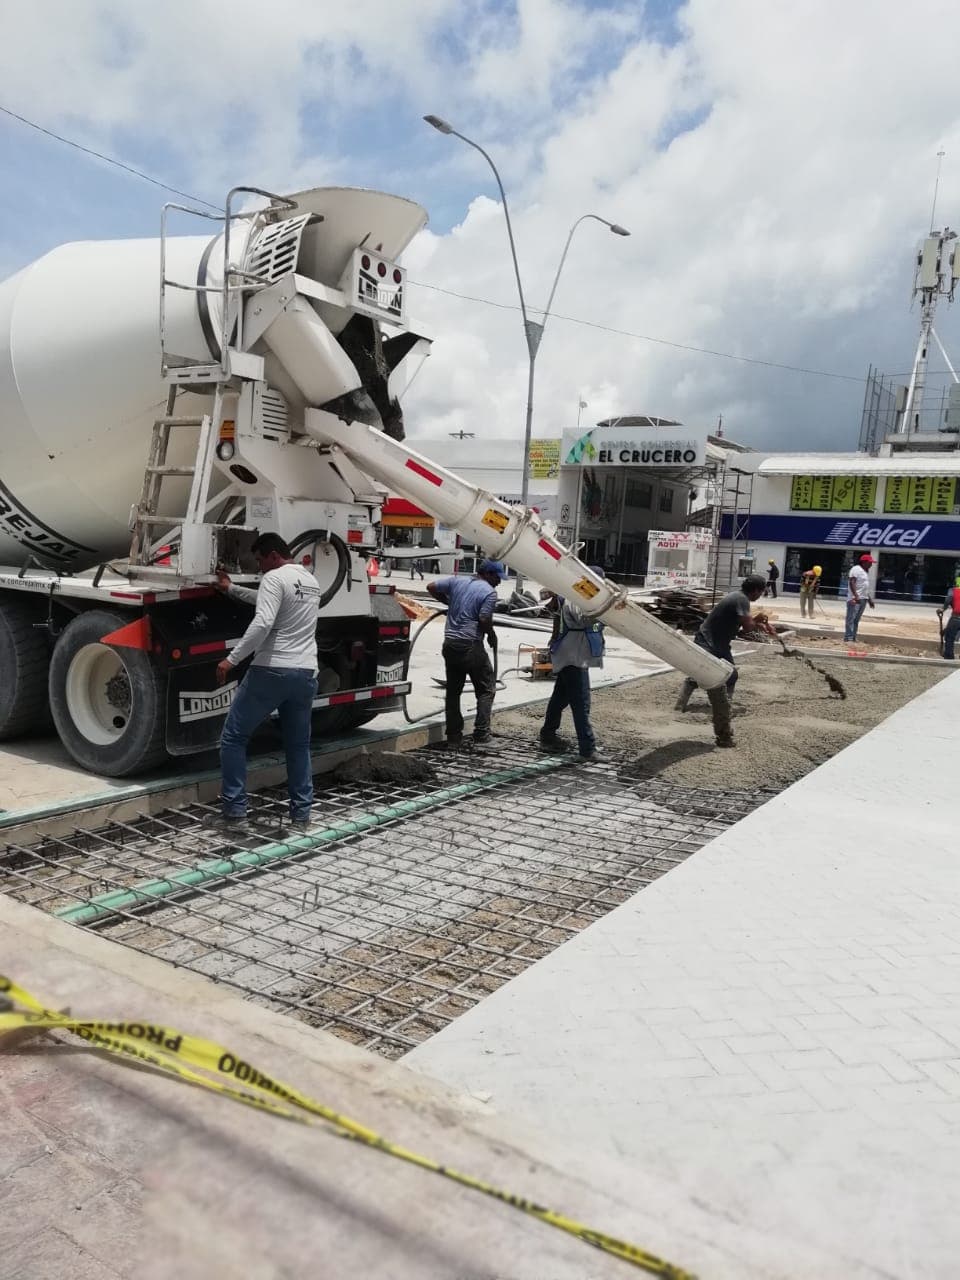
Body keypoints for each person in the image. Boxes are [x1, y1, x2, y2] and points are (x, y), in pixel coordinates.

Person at [214, 533, 321, 830]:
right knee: (298, 746)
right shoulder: (310, 582)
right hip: (306, 673)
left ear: (273, 555)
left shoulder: (274, 578)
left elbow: (263, 620)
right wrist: (231, 588)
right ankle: (301, 817)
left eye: (261, 560)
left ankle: (235, 813)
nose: (260, 567)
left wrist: (231, 659)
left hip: (272, 669)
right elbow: (269, 601)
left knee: (233, 738)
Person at [674, 574, 770, 745]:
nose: (761, 595)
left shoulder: (737, 597)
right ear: (755, 590)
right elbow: (748, 627)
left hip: (719, 643)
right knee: (713, 675)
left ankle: (691, 705)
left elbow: (739, 627)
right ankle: (694, 708)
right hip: (709, 642)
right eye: (761, 591)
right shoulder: (741, 599)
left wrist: (757, 621)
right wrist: (758, 624)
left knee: (728, 675)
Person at [427, 560, 503, 748]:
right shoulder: (489, 593)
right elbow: (484, 618)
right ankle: (482, 735)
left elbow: (431, 586)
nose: (499, 582)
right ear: (488, 574)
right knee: (486, 689)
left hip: (450, 645)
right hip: (470, 646)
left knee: (453, 691)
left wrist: (449, 602)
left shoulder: (457, 582)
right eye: (497, 577)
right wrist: (491, 635)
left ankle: (453, 737)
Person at [538, 567, 606, 762]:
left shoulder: (575, 597)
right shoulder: (576, 600)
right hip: (574, 658)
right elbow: (585, 622)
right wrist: (602, 616)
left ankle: (548, 736)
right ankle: (587, 749)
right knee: (581, 703)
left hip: (570, 655)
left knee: (560, 698)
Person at [844, 553, 875, 643]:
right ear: (864, 562)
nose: (871, 564)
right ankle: (848, 637)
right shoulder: (856, 569)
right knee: (851, 618)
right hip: (855, 599)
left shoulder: (865, 572)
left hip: (863, 599)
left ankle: (853, 637)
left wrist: (869, 600)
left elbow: (864, 587)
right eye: (870, 562)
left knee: (856, 620)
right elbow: (852, 582)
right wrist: (856, 596)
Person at [938, 576, 960, 659]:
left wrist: (943, 609)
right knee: (950, 632)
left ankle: (949, 656)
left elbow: (948, 600)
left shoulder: (953, 590)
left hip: (956, 617)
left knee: (949, 637)